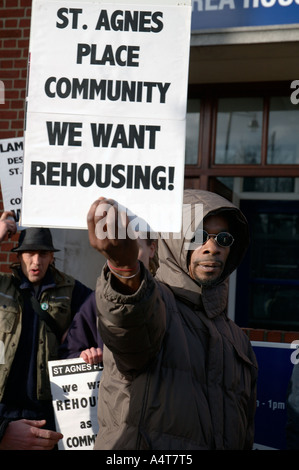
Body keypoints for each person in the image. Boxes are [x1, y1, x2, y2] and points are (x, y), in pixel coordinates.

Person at [87, 189, 258, 450]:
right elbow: (129, 325)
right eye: (198, 237)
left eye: (223, 238)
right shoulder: (157, 304)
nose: (212, 248)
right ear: (175, 242)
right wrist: (124, 268)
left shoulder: (238, 341)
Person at [0, 212, 92, 450]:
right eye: (29, 253)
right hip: (3, 405)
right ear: (19, 256)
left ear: (52, 256)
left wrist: (89, 351)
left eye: (43, 253)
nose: (36, 261)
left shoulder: (72, 290)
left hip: (47, 407)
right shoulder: (3, 286)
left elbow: (99, 322)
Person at [59, 236, 158, 365]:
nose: (126, 256)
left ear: (152, 249)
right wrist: (83, 357)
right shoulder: (95, 302)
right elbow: (67, 356)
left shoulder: (169, 299)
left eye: (135, 248)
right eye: (117, 248)